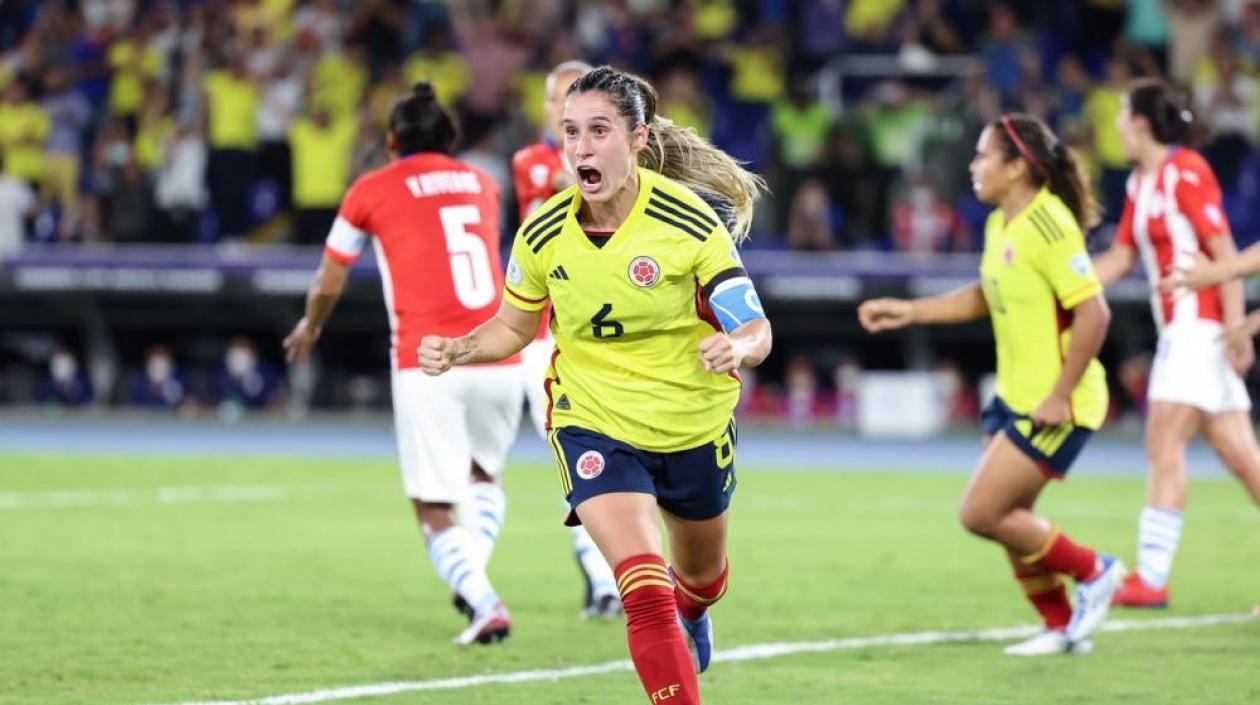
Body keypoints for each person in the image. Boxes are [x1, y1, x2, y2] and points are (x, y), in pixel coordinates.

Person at [420, 66, 770, 704]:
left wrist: (738, 346)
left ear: (638, 139)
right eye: (571, 132)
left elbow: (755, 326)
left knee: (700, 578)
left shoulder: (689, 220)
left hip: (691, 423)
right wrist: (461, 347)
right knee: (643, 589)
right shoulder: (541, 233)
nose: (581, 148)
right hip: (594, 421)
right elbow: (512, 326)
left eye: (599, 131)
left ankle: (696, 609)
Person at [859, 113, 1126, 656]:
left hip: (1057, 404)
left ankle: (1096, 571)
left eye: (984, 156)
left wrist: (1060, 395)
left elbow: (1094, 313)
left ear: (1017, 167)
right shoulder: (1000, 223)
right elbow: (986, 295)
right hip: (1012, 397)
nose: (973, 166)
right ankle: (1059, 625)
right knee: (1008, 520)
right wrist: (910, 311)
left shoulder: (1050, 225)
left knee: (981, 513)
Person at [284, 83, 523, 646]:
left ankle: (484, 601)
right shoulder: (484, 183)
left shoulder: (371, 189)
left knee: (433, 504)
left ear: (392, 142)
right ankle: (474, 578)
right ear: (449, 139)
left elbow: (330, 278)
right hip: (499, 353)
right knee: (484, 475)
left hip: (429, 358)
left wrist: (310, 326)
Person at [1092, 78, 1260, 609]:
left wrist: (1235, 328)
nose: (1117, 124)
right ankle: (1152, 577)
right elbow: (1121, 257)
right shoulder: (1140, 183)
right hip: (1183, 331)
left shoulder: (1186, 170)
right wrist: (1067, 286)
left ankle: (1152, 578)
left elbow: (1223, 253)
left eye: (1122, 114)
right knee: (1241, 457)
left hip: (1198, 328)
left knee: (1163, 442)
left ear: (1141, 123)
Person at [510, 59, 623, 619]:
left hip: (605, 329)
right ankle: (605, 580)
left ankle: (618, 574)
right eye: (559, 100)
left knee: (624, 453)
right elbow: (570, 188)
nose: (563, 109)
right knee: (578, 457)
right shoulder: (532, 162)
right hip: (544, 338)